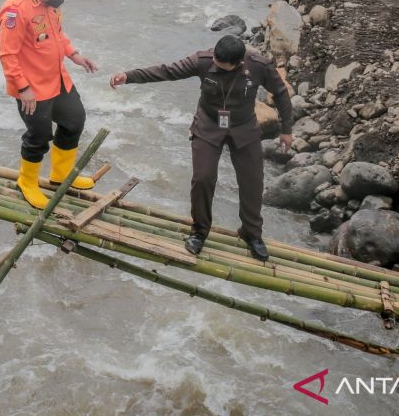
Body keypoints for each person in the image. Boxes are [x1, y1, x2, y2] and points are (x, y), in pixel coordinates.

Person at [110, 35, 294, 260]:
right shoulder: (203, 60)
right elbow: (167, 71)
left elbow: (282, 93)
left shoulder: (258, 65)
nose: (216, 66)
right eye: (216, 62)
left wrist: (287, 130)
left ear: (239, 63)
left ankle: (252, 233)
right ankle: (199, 231)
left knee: (253, 182)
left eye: (222, 66)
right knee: (203, 179)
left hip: (244, 128)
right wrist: (128, 76)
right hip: (208, 126)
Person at [0, 0, 99, 208]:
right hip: (32, 88)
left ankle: (60, 175)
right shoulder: (16, 10)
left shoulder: (51, 2)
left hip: (58, 78)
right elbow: (7, 55)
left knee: (74, 120)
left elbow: (56, 35)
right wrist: (23, 88)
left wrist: (74, 55)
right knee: (39, 136)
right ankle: (27, 182)